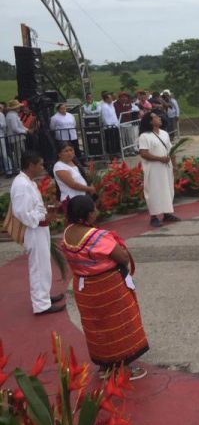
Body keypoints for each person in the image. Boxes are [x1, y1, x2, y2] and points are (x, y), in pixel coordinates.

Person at [60, 195, 149, 380]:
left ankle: (105, 367)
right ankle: (124, 368)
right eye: (94, 209)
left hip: (84, 288)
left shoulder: (68, 233)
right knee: (119, 323)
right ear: (89, 214)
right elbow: (122, 258)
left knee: (96, 326)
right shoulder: (97, 236)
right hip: (107, 286)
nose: (97, 212)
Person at [10, 151, 66, 315]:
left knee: (44, 265)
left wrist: (47, 211)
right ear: (30, 165)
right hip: (33, 230)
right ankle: (41, 304)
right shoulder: (21, 185)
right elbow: (21, 213)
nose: (42, 167)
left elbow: (33, 207)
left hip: (39, 228)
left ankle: (44, 296)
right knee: (38, 266)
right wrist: (43, 216)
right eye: (40, 164)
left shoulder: (29, 182)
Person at [138, 111, 179, 227]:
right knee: (154, 191)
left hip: (166, 167)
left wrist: (174, 165)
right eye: (156, 117)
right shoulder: (144, 136)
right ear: (150, 121)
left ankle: (167, 213)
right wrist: (160, 159)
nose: (159, 118)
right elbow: (144, 154)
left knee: (167, 189)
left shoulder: (164, 133)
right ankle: (154, 217)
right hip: (154, 169)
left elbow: (171, 150)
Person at [99, 92, 121, 156]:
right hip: (109, 127)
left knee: (115, 140)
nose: (111, 99)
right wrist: (110, 125)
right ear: (106, 99)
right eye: (110, 98)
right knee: (111, 141)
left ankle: (116, 153)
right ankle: (112, 154)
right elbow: (105, 118)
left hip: (115, 125)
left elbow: (114, 115)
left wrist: (117, 124)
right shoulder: (104, 107)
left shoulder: (111, 105)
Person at [0, 101, 11, 177]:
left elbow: (3, 125)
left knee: (4, 154)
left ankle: (9, 170)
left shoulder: (0, 115)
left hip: (1, 136)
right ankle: (3, 170)